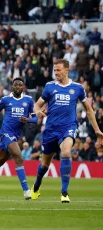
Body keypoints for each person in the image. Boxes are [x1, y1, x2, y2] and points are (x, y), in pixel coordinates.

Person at [31, 59, 103, 203]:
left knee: (65, 152)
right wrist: (37, 111)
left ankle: (64, 192)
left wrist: (97, 130)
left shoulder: (77, 88)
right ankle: (36, 186)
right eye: (54, 70)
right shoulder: (49, 86)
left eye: (58, 70)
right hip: (51, 129)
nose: (56, 73)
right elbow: (37, 105)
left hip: (68, 127)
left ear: (67, 70)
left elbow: (88, 110)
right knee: (45, 164)